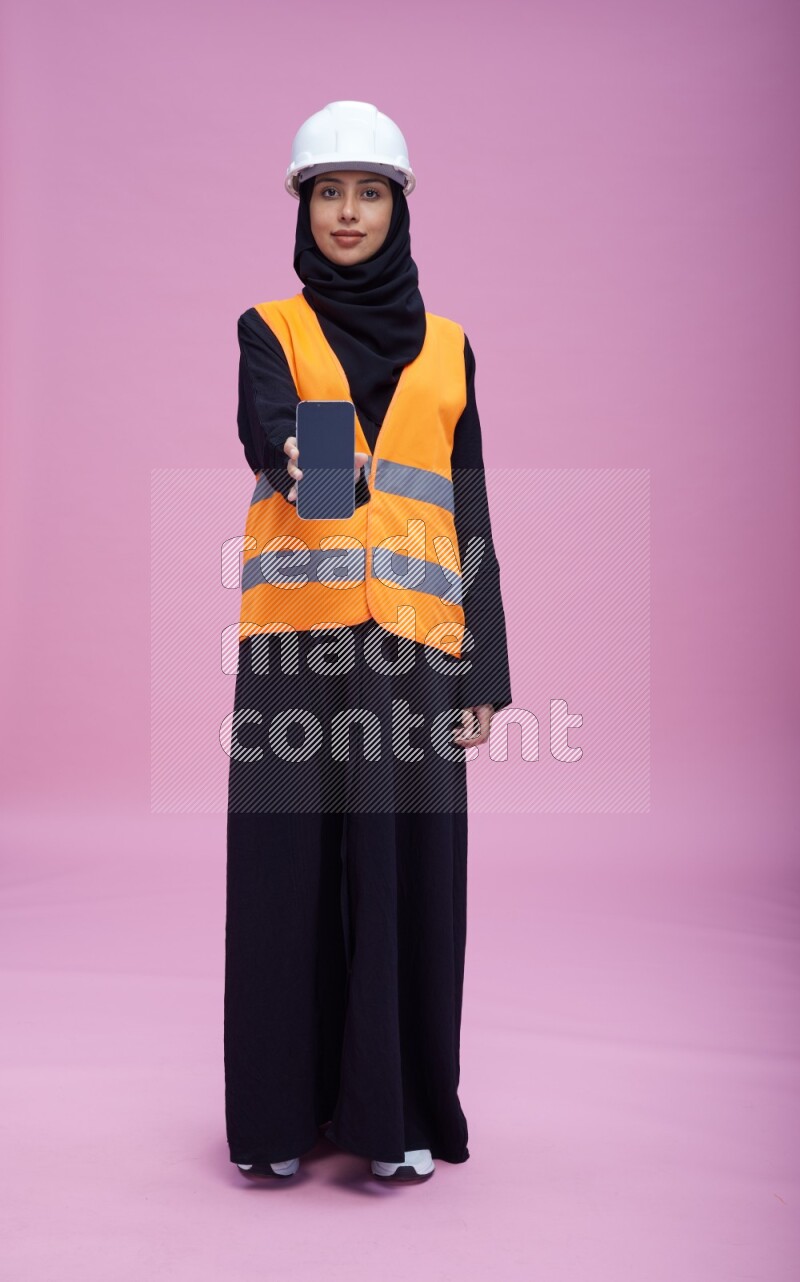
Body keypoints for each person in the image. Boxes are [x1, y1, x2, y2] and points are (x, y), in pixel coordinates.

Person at [224, 101, 512, 1184]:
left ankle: (392, 1115)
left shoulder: (449, 351)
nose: (348, 213)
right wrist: (294, 450)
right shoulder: (272, 327)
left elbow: (469, 514)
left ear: (398, 208)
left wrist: (485, 666)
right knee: (285, 878)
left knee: (405, 879)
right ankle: (278, 1121)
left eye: (369, 193)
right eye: (327, 193)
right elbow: (271, 423)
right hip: (297, 648)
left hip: (418, 656)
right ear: (303, 206)